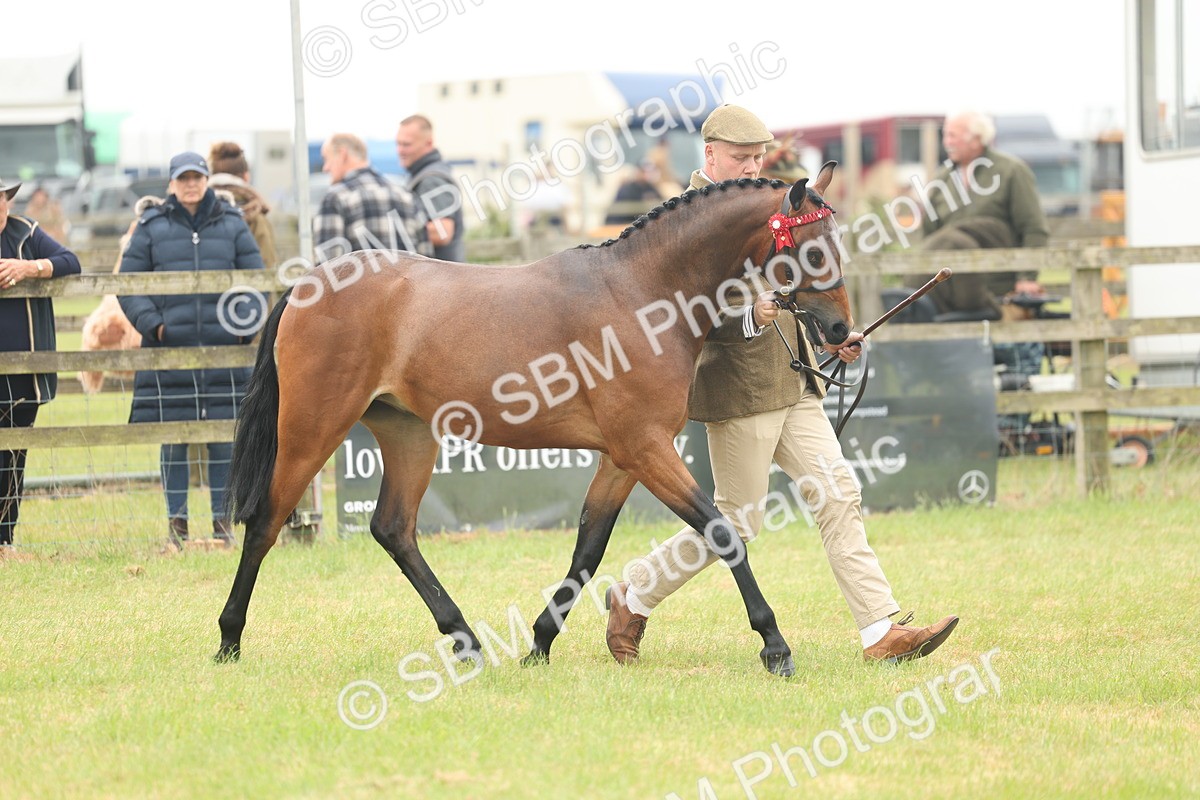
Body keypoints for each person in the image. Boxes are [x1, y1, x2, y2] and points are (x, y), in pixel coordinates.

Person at [605, 105, 959, 666]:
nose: (752, 168)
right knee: (738, 520)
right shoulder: (681, 219)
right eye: (741, 158)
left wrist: (829, 336)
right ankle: (634, 593)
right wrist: (750, 316)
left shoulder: (772, 205)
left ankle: (880, 632)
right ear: (711, 155)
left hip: (795, 383)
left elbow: (801, 279)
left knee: (839, 493)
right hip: (739, 388)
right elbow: (677, 312)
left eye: (758, 158)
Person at [117, 152, 265, 550]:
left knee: (223, 438)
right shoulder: (151, 227)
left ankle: (222, 527)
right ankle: (177, 527)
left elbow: (256, 280)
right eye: (183, 178)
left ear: (206, 180)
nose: (190, 184)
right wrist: (155, 326)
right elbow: (128, 284)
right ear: (171, 184)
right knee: (174, 438)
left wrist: (243, 328)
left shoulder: (232, 224)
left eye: (197, 177)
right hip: (169, 354)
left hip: (224, 353)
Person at [0, 177, 81, 548]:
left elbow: (70, 261)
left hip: (23, 372)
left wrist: (29, 267)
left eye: (0, 199)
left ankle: (5, 539)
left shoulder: (26, 231)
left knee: (13, 456)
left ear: (7, 201)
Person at [919, 111, 1050, 320]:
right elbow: (929, 233)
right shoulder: (941, 179)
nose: (947, 142)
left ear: (977, 139)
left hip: (998, 289)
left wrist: (1028, 277)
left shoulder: (1011, 171)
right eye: (946, 136)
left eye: (954, 136)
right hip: (950, 294)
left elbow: (1033, 228)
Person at [314, 133, 432, 262]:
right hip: (409, 282)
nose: (326, 168)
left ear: (343, 154)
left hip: (359, 282)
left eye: (326, 159)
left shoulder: (335, 198)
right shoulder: (406, 196)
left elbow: (327, 267)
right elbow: (427, 261)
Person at [395, 115, 464, 261]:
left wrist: (395, 234)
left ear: (429, 143)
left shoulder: (431, 179)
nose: (400, 150)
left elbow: (443, 232)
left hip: (442, 280)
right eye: (398, 144)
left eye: (406, 144)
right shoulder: (423, 175)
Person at [208, 141, 278, 268]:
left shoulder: (197, 212)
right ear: (246, 176)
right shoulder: (255, 215)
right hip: (247, 286)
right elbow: (267, 265)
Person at [604, 161, 664, 225]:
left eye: (649, 172)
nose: (646, 175)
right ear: (637, 172)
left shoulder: (651, 188)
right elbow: (622, 215)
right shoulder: (627, 189)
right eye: (643, 172)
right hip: (620, 226)